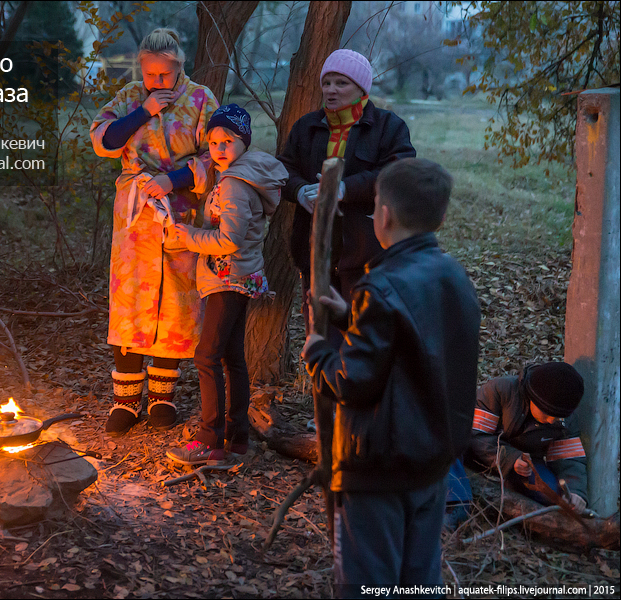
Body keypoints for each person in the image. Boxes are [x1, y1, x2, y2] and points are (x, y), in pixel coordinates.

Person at [301, 158, 480, 595]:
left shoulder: (380, 286)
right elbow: (415, 346)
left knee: (370, 583)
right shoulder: (453, 275)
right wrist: (351, 319)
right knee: (418, 580)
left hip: (378, 467)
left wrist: (319, 353)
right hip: (432, 462)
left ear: (384, 214)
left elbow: (352, 382)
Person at [90, 28, 219, 437]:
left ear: (179, 67)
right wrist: (144, 109)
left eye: (164, 75)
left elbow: (217, 154)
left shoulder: (201, 100)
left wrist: (175, 179)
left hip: (180, 212)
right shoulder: (131, 96)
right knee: (130, 300)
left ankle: (163, 395)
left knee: (177, 303)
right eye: (150, 75)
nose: (157, 83)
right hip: (134, 217)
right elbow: (104, 140)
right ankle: (126, 400)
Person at [161, 104, 288, 466]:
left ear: (244, 143)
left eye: (228, 140)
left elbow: (229, 240)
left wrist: (190, 237)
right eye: (214, 141)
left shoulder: (233, 184)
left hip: (229, 276)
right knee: (232, 357)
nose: (219, 148)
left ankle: (210, 439)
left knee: (207, 356)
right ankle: (237, 439)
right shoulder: (234, 176)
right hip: (233, 276)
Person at [278, 49, 416, 339]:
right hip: (315, 257)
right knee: (320, 343)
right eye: (326, 83)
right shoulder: (306, 126)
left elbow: (398, 173)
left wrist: (345, 188)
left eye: (341, 83)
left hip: (367, 258)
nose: (330, 90)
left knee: (363, 343)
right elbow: (282, 170)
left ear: (361, 89)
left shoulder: (389, 128)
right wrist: (299, 190)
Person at [467, 362, 588, 513]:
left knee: (556, 497)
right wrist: (511, 459)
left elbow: (569, 460)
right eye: (547, 413)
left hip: (527, 468)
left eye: (557, 418)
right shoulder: (499, 391)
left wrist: (576, 492)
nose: (552, 420)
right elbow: (476, 435)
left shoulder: (566, 420)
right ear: (532, 398)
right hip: (477, 456)